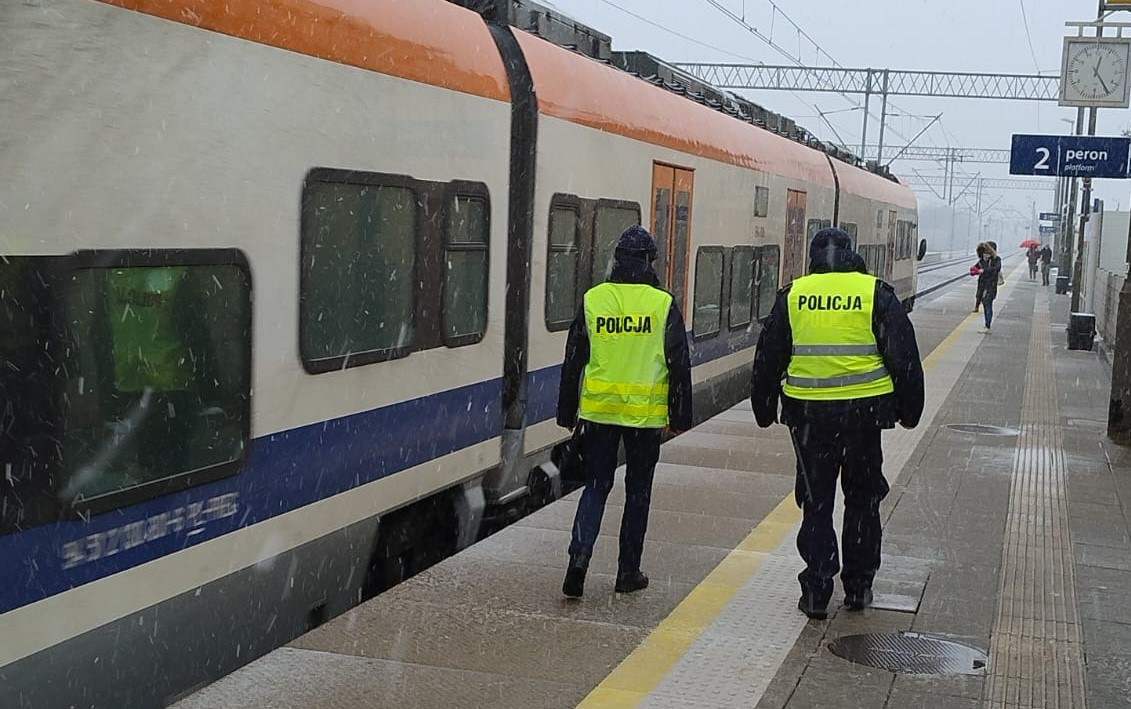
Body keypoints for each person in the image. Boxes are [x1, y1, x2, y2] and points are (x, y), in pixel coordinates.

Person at [750, 227, 924, 620]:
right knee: (863, 500)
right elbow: (904, 358)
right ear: (851, 253)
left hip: (809, 420)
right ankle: (858, 586)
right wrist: (909, 411)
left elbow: (768, 359)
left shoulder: (794, 296)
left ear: (813, 256)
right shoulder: (874, 294)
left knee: (816, 502)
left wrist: (764, 408)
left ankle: (816, 590)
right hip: (864, 419)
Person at [557, 225, 693, 598]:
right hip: (644, 419)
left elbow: (573, 360)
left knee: (596, 486)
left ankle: (578, 562)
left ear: (617, 260)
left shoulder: (594, 299)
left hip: (599, 414)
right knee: (638, 492)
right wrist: (680, 417)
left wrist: (567, 412)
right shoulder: (662, 304)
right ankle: (627, 572)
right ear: (649, 261)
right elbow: (679, 363)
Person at [975, 241, 1002, 333]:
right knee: (985, 304)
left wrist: (985, 270)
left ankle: (988, 326)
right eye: (984, 253)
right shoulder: (982, 260)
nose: (985, 255)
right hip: (983, 286)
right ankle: (987, 325)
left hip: (991, 286)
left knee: (988, 304)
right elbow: (976, 268)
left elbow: (996, 268)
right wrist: (974, 270)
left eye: (987, 252)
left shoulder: (996, 259)